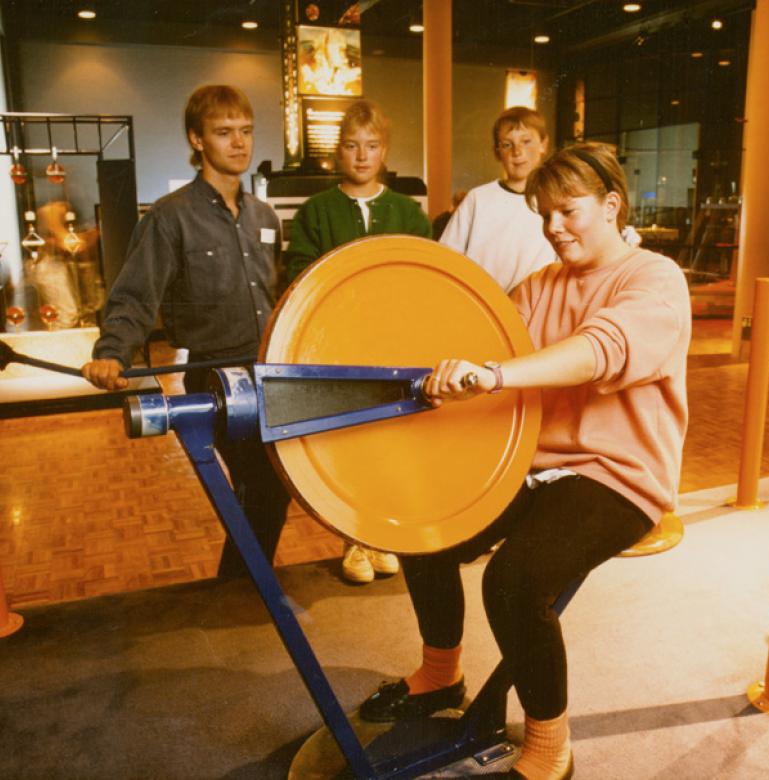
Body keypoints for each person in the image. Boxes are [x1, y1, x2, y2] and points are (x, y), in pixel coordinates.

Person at [359, 143, 691, 780]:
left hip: (619, 476)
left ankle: (549, 749)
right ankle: (440, 673)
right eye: (544, 215)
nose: (553, 227)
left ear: (612, 205)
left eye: (568, 211)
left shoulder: (653, 278)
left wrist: (491, 374)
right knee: (424, 527)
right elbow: (479, 343)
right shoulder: (539, 286)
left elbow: (601, 351)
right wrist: (444, 365)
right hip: (536, 464)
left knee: (513, 581)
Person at [81, 85, 289, 578]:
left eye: (245, 132)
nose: (239, 144)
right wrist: (113, 352)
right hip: (216, 377)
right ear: (198, 140)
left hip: (270, 372)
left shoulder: (264, 216)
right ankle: (241, 591)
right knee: (258, 487)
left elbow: (279, 294)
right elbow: (134, 295)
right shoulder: (170, 216)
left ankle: (242, 590)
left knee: (272, 490)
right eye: (223, 133)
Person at [285, 99, 431, 584]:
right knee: (348, 442)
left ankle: (381, 535)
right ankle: (354, 540)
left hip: (396, 347)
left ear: (384, 151)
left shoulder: (407, 212)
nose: (362, 155)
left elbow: (422, 277)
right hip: (339, 348)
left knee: (391, 441)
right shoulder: (317, 211)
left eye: (371, 146)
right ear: (337, 154)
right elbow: (301, 276)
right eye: (351, 145)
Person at [439, 106, 556, 292]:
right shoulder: (478, 199)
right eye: (507, 145)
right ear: (496, 152)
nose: (517, 151)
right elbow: (446, 257)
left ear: (543, 144)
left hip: (536, 307)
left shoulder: (555, 200)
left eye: (526, 141)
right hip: (481, 305)